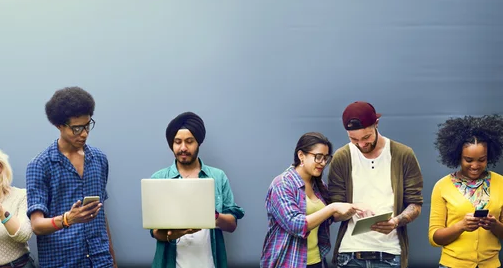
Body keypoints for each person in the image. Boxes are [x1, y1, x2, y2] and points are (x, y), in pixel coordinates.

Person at [26, 87, 117, 268]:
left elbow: (100, 214)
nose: (84, 133)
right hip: (62, 262)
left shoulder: (99, 159)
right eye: (76, 128)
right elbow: (36, 225)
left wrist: (112, 260)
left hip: (100, 261)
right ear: (59, 126)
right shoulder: (40, 165)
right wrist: (69, 219)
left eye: (87, 125)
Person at [327, 102, 423, 268]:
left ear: (376, 124)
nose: (362, 144)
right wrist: (351, 207)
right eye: (354, 139)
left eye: (366, 137)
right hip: (350, 253)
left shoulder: (403, 155)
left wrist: (395, 222)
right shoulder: (342, 157)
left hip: (390, 253)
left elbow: (415, 204)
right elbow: (335, 212)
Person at [149, 111, 244, 268]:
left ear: (198, 142)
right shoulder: (158, 179)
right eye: (178, 142)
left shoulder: (218, 177)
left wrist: (213, 216)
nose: (183, 148)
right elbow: (155, 232)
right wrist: (175, 234)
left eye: (189, 141)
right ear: (172, 144)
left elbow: (232, 225)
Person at [260, 132, 361, 268]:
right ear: (301, 155)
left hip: (316, 261)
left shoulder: (319, 186)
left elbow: (326, 218)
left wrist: (351, 210)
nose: (323, 163)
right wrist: (332, 208)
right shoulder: (283, 184)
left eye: (326, 158)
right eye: (318, 157)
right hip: (288, 262)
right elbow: (296, 224)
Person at [428, 114, 503, 268]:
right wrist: (461, 226)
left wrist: (494, 225)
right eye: (468, 160)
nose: (475, 165)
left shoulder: (501, 183)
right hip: (452, 265)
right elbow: (434, 238)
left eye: (481, 160)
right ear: (458, 157)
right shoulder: (442, 186)